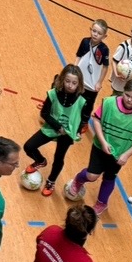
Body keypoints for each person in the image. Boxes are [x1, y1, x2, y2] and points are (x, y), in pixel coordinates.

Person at [62, 75, 132, 211]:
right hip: (99, 147)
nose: (129, 100)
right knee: (92, 176)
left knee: (109, 177)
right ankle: (78, 180)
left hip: (118, 154)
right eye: (127, 95)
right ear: (123, 91)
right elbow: (96, 119)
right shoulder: (109, 103)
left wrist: (126, 155)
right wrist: (103, 142)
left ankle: (102, 203)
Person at [20, 64, 87, 198]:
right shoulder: (53, 94)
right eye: (67, 81)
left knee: (59, 158)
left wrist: (78, 130)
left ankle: (51, 182)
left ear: (79, 84)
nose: (70, 85)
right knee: (28, 146)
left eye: (74, 83)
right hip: (52, 128)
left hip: (67, 134)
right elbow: (44, 113)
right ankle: (40, 161)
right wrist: (58, 127)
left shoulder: (81, 100)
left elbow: (83, 117)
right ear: (62, 79)